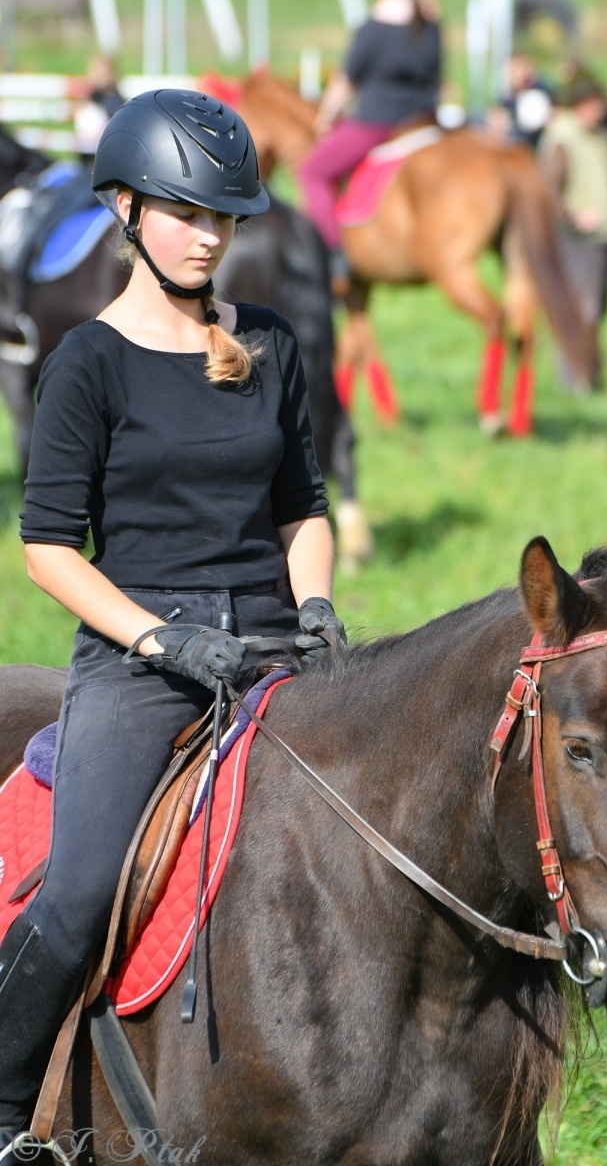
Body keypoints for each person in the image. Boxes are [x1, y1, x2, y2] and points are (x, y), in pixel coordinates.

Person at [0, 88, 345, 1157]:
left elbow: (303, 509)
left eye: (223, 217)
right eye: (184, 213)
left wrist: (318, 603)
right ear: (122, 209)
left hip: (275, 639)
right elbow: (48, 548)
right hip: (139, 658)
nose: (207, 236)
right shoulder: (87, 366)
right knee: (80, 891)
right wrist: (158, 638)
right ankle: (8, 1107)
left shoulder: (272, 342)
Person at [297, 0, 442, 289]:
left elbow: (345, 82)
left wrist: (326, 115)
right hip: (425, 123)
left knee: (312, 171)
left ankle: (335, 256)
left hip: (378, 124)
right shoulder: (430, 24)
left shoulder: (373, 27)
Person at [537, 72, 607, 390]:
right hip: (575, 238)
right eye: (592, 104)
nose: (598, 111)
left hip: (603, 233)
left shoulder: (600, 135)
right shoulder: (564, 137)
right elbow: (548, 189)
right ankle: (573, 377)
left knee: (597, 308)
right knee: (578, 308)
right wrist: (573, 217)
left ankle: (589, 372)